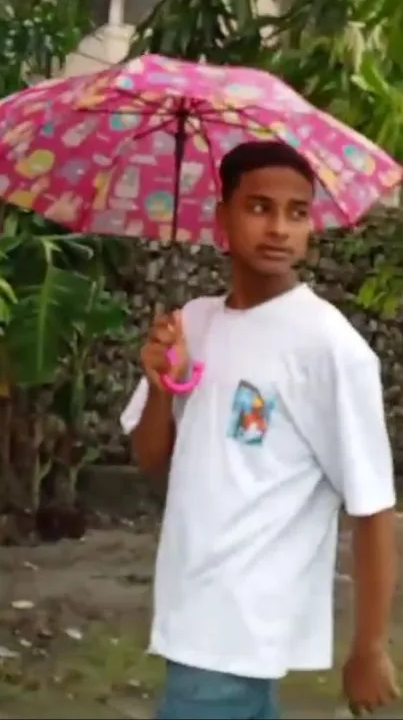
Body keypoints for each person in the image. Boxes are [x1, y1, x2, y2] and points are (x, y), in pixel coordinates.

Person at [121, 140, 398, 720]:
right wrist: (159, 384)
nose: (279, 228)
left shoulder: (328, 347)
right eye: (258, 207)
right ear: (222, 218)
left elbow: (372, 506)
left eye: (297, 213)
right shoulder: (191, 322)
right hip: (187, 609)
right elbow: (154, 465)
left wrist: (369, 647)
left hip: (239, 625)